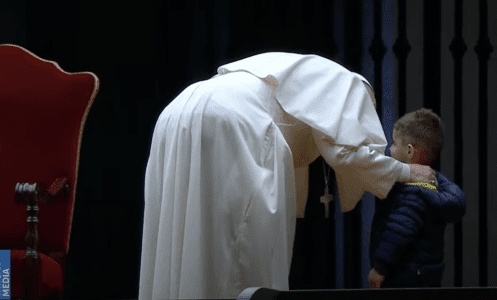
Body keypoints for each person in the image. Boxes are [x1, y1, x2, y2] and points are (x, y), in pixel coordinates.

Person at [138, 52, 437, 299]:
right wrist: (406, 170)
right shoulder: (353, 86)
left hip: (176, 113)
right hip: (237, 121)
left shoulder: (299, 72)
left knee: (184, 237)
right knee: (241, 263)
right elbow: (348, 153)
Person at [368, 108, 466, 289]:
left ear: (409, 151)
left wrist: (380, 268)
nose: (390, 149)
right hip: (427, 274)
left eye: (395, 144)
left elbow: (397, 232)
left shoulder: (412, 193)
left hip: (403, 276)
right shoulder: (434, 185)